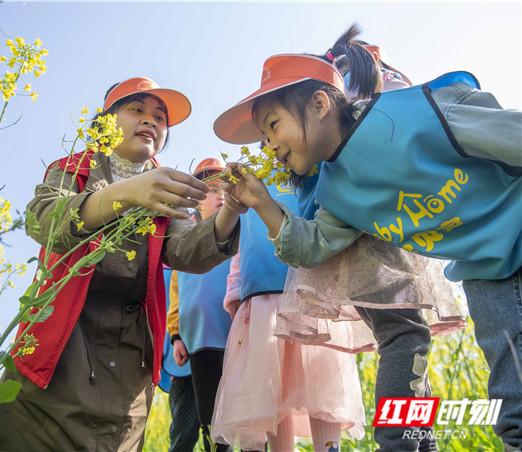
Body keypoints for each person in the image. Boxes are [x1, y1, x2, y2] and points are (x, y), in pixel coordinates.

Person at [213, 42, 521, 451]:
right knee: (508, 394)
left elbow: (504, 131)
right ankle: (409, 442)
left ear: (321, 104)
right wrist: (264, 203)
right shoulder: (338, 191)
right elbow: (312, 246)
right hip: (486, 267)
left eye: (273, 125)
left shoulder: (412, 114)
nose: (268, 144)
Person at [0, 77, 244, 451]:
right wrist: (123, 195)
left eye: (159, 117)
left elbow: (188, 250)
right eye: (137, 110)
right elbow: (44, 220)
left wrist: (231, 209)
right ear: (104, 122)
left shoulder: (164, 187)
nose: (151, 120)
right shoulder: (74, 167)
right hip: (59, 352)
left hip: (127, 362)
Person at [211, 159, 365, 452]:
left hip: (311, 293)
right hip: (261, 297)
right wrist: (236, 293)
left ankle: (328, 448)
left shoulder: (314, 169)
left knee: (323, 383)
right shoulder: (248, 182)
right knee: (270, 389)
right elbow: (242, 247)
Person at [172, 158, 234, 452]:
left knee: (231, 420)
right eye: (210, 190)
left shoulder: (238, 233)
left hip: (230, 338)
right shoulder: (183, 242)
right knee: (188, 427)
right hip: (191, 343)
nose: (219, 194)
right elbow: (175, 295)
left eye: (224, 188)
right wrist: (174, 336)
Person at [164, 266, 200, 452]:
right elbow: (175, 294)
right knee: (183, 434)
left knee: (220, 437)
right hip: (187, 352)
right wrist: (176, 335)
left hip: (223, 350)